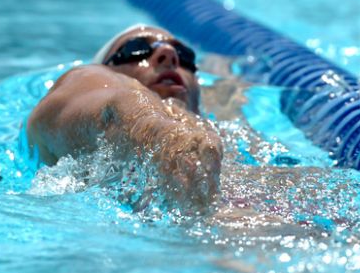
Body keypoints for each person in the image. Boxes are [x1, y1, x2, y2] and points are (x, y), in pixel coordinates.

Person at [25, 25, 223, 210]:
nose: (170, 54)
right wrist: (158, 132)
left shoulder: (221, 132)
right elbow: (115, 106)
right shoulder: (85, 80)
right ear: (106, 70)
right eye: (136, 49)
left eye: (185, 56)